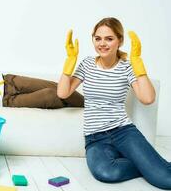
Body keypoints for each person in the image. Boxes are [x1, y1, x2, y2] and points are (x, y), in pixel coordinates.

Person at [57, 17, 171, 189]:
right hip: (95, 138)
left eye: (109, 39)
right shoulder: (87, 64)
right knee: (106, 173)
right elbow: (63, 92)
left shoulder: (127, 66)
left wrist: (138, 63)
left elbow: (147, 99)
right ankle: (149, 167)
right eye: (98, 38)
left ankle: (154, 168)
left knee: (165, 181)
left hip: (124, 132)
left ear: (120, 41)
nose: (102, 43)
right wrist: (69, 62)